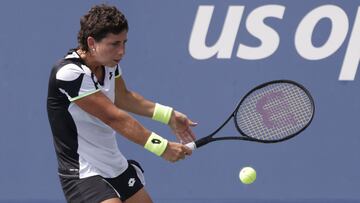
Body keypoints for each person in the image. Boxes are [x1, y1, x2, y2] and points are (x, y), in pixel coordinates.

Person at [47, 4, 197, 203]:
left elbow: (123, 96)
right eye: (114, 44)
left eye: (124, 43)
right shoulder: (69, 73)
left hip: (115, 165)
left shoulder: (108, 65)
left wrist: (169, 115)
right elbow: (114, 117)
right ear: (91, 42)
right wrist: (161, 147)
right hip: (84, 173)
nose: (122, 51)